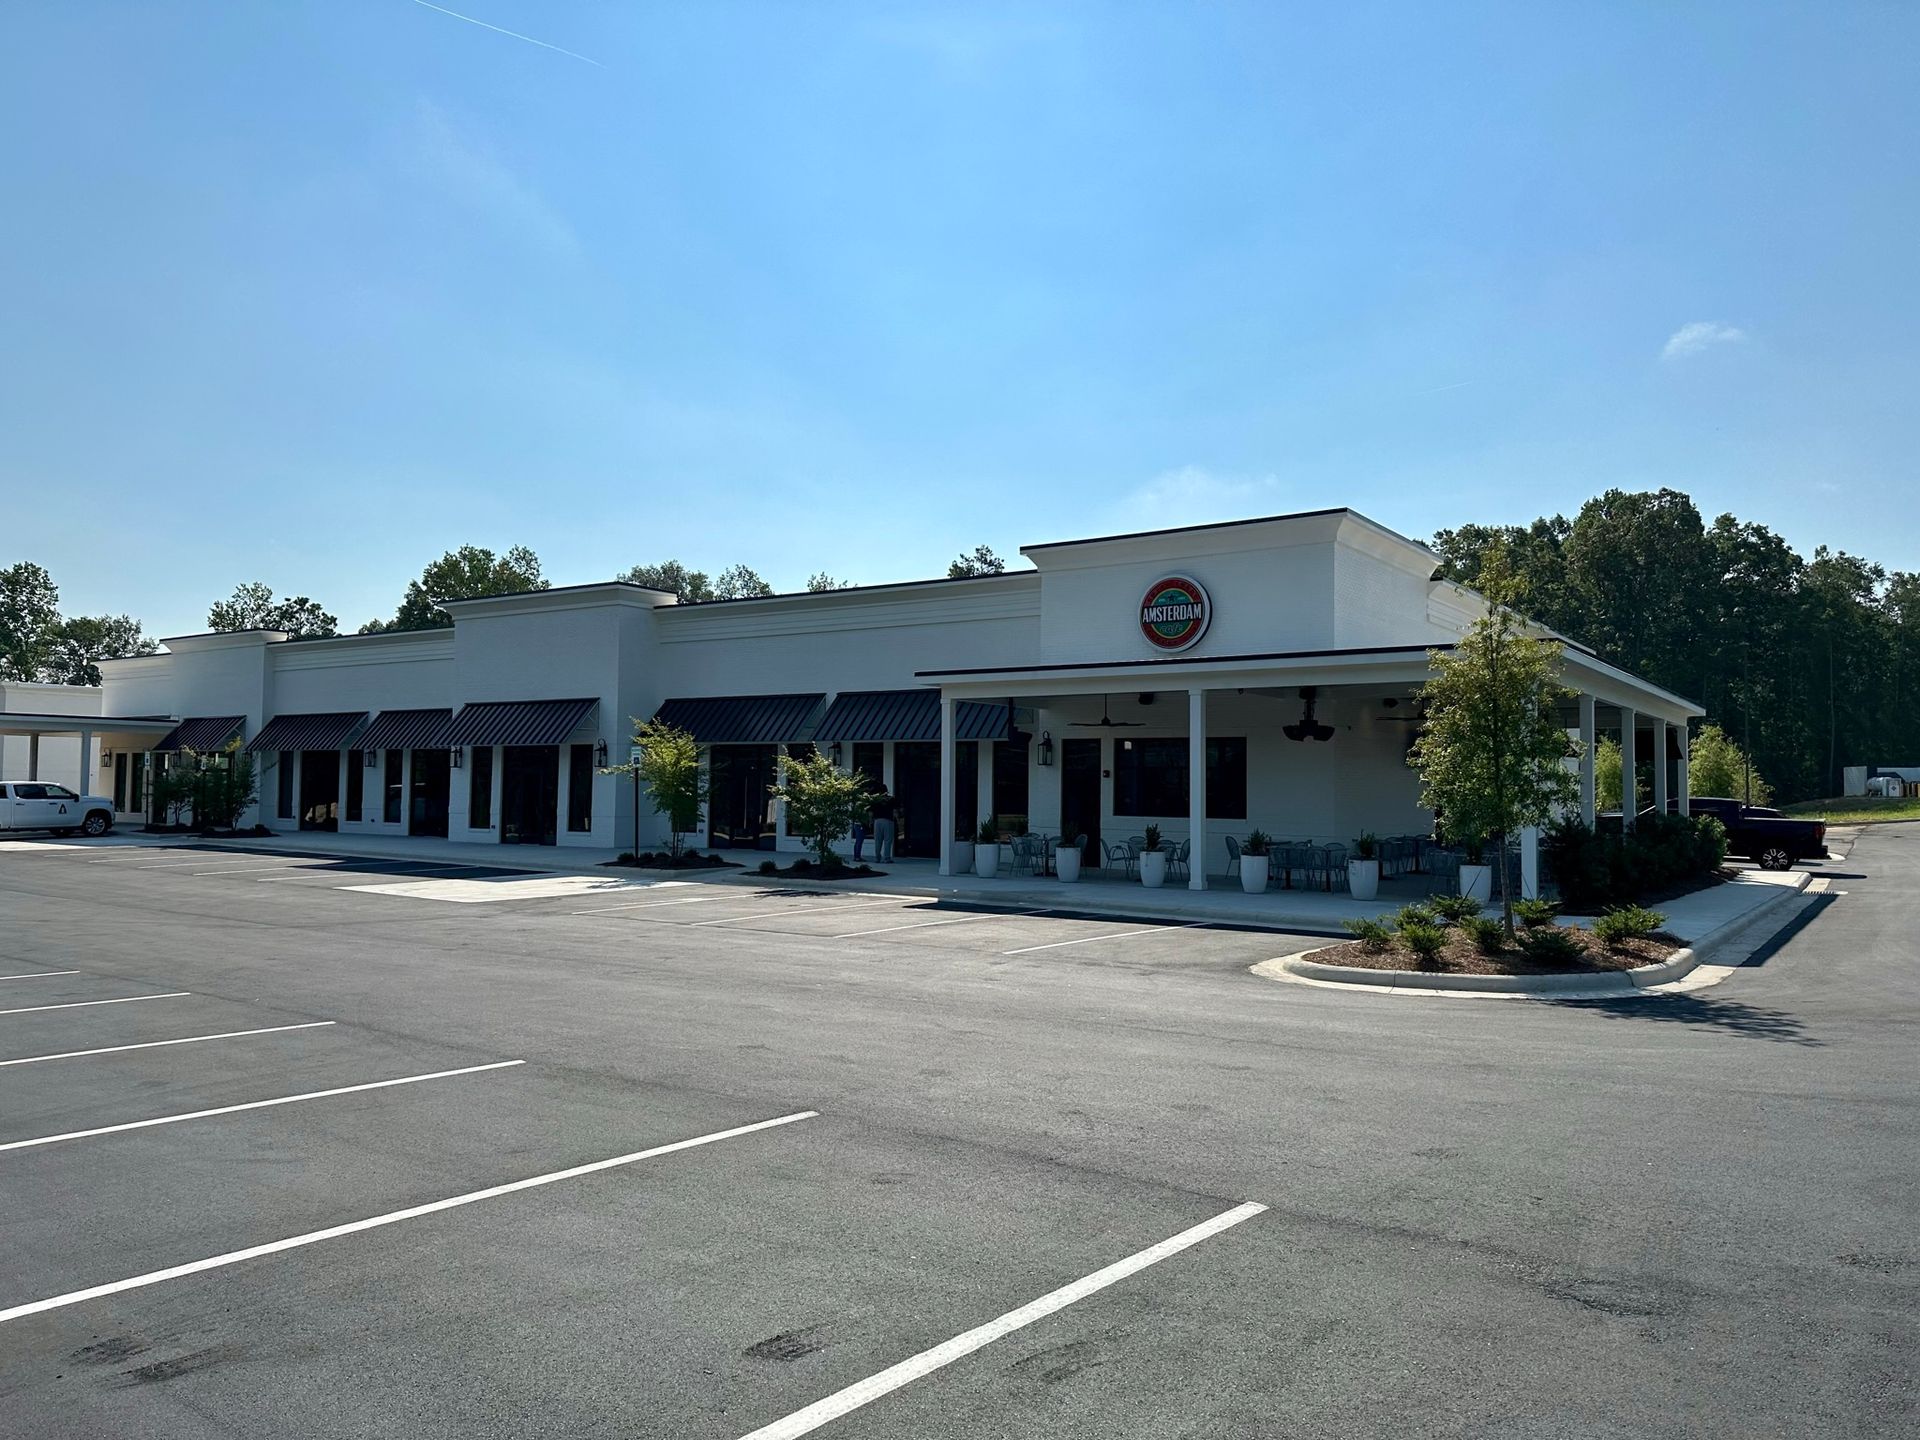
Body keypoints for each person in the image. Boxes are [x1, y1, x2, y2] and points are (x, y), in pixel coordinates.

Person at [868, 787, 898, 863]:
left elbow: (871, 812)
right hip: (888, 821)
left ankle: (877, 858)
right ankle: (886, 858)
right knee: (888, 840)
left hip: (877, 821)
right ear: (887, 791)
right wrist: (897, 819)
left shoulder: (875, 800)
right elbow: (895, 811)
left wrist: (870, 821)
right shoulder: (892, 799)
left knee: (878, 840)